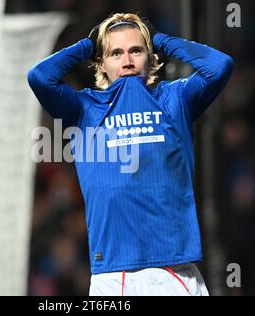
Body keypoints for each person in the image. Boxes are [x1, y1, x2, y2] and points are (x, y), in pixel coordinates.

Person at [27, 13, 233, 296]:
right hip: (112, 276)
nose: (127, 60)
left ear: (150, 57)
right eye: (115, 53)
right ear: (101, 63)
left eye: (136, 50)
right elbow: (39, 77)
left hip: (173, 272)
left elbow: (219, 66)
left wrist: (160, 39)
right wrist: (88, 45)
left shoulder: (174, 99)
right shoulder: (84, 108)